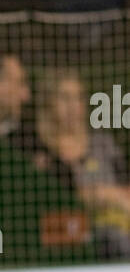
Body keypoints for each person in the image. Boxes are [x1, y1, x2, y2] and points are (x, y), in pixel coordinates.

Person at [17, 70, 130, 261]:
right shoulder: (36, 148)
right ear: (48, 102)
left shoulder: (103, 144)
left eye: (78, 98)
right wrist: (102, 194)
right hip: (67, 237)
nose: (73, 107)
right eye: (64, 98)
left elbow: (125, 186)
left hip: (119, 230)